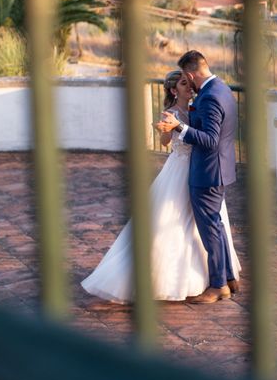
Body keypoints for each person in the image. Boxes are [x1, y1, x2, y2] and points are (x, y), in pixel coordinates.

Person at [81, 69, 241, 303]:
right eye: (184, 84)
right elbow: (167, 142)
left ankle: (218, 275)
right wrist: (165, 131)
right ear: (174, 90)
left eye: (189, 82)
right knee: (174, 221)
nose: (189, 87)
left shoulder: (201, 104)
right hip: (180, 171)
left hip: (204, 172)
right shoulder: (171, 113)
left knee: (209, 225)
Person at [156, 50, 239, 304]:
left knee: (210, 228)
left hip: (207, 171)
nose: (185, 82)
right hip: (218, 168)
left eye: (184, 77)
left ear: (191, 74)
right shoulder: (221, 88)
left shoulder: (209, 98)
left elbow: (211, 140)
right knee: (217, 225)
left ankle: (217, 286)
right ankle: (229, 277)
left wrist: (179, 126)